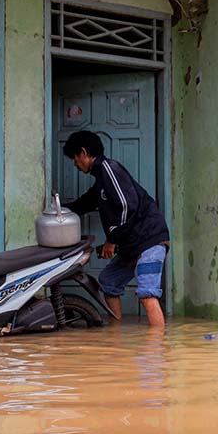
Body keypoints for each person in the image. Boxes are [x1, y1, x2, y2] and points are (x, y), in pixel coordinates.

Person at [61, 130, 169, 326]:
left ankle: (158, 348)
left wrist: (112, 240)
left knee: (147, 293)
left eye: (75, 158)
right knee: (109, 281)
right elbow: (83, 204)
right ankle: (115, 335)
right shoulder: (101, 180)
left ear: (84, 152)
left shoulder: (109, 168)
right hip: (132, 244)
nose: (75, 164)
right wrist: (57, 210)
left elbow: (128, 205)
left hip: (150, 241)